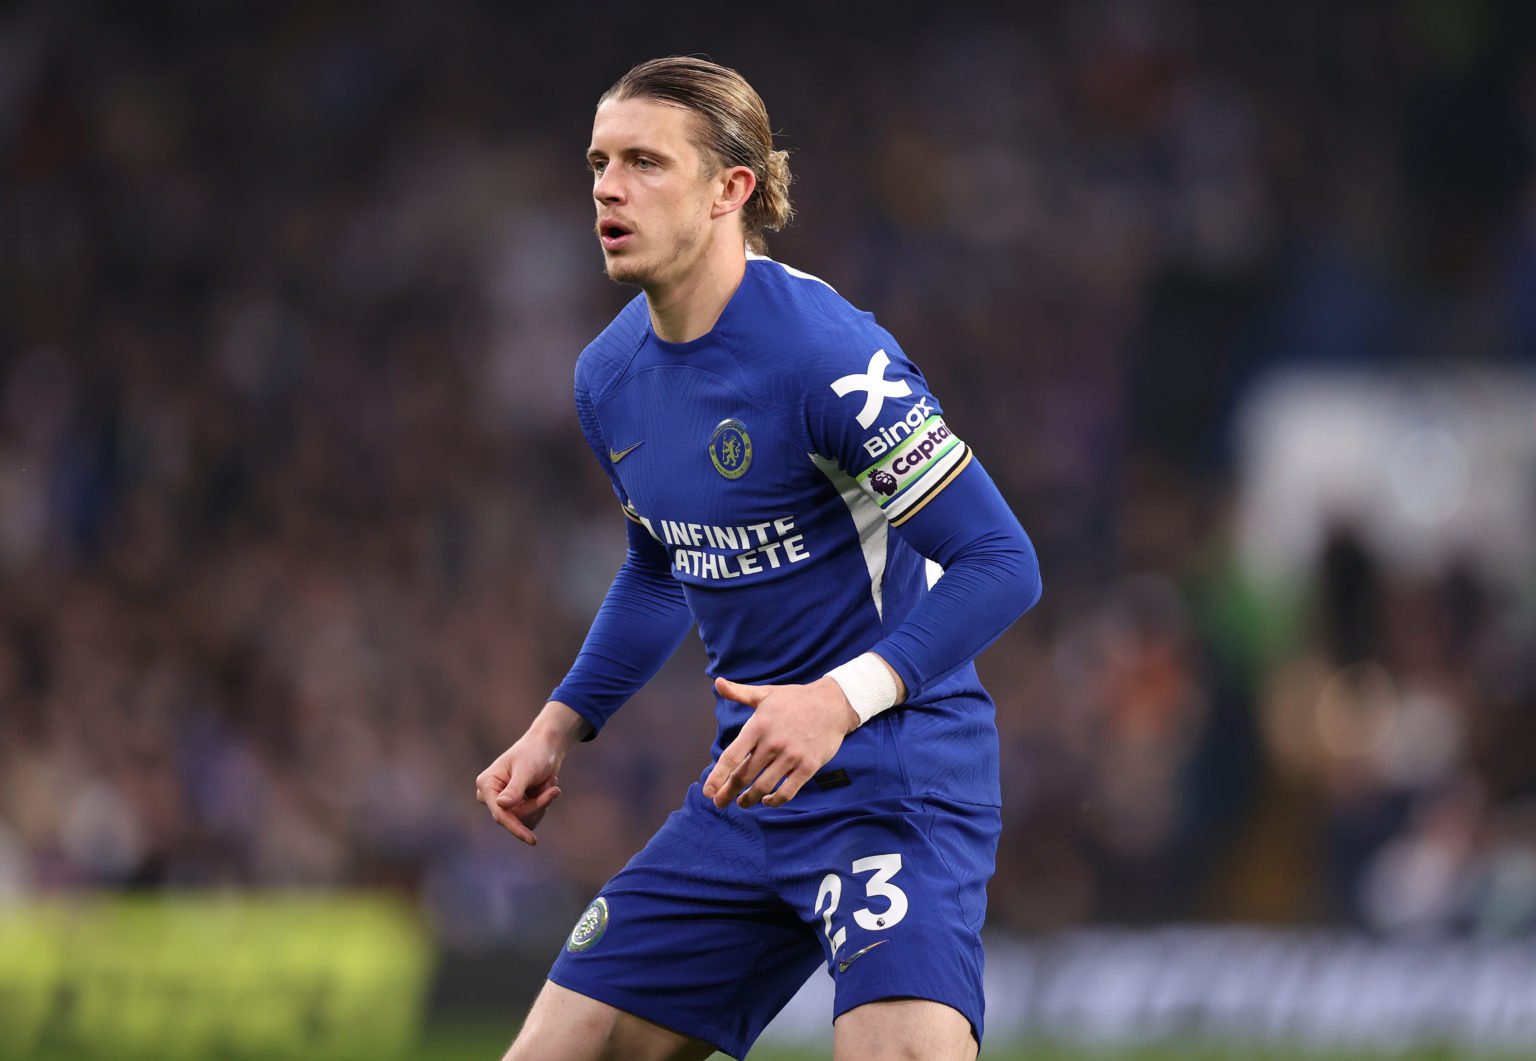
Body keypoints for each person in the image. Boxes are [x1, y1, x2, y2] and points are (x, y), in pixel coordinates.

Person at [475, 56, 1041, 1061]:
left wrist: (833, 699)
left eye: (646, 162)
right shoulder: (609, 376)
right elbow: (663, 563)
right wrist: (562, 721)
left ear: (731, 188)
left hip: (892, 779)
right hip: (746, 788)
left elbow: (1001, 559)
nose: (608, 186)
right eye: (600, 162)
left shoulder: (825, 354)